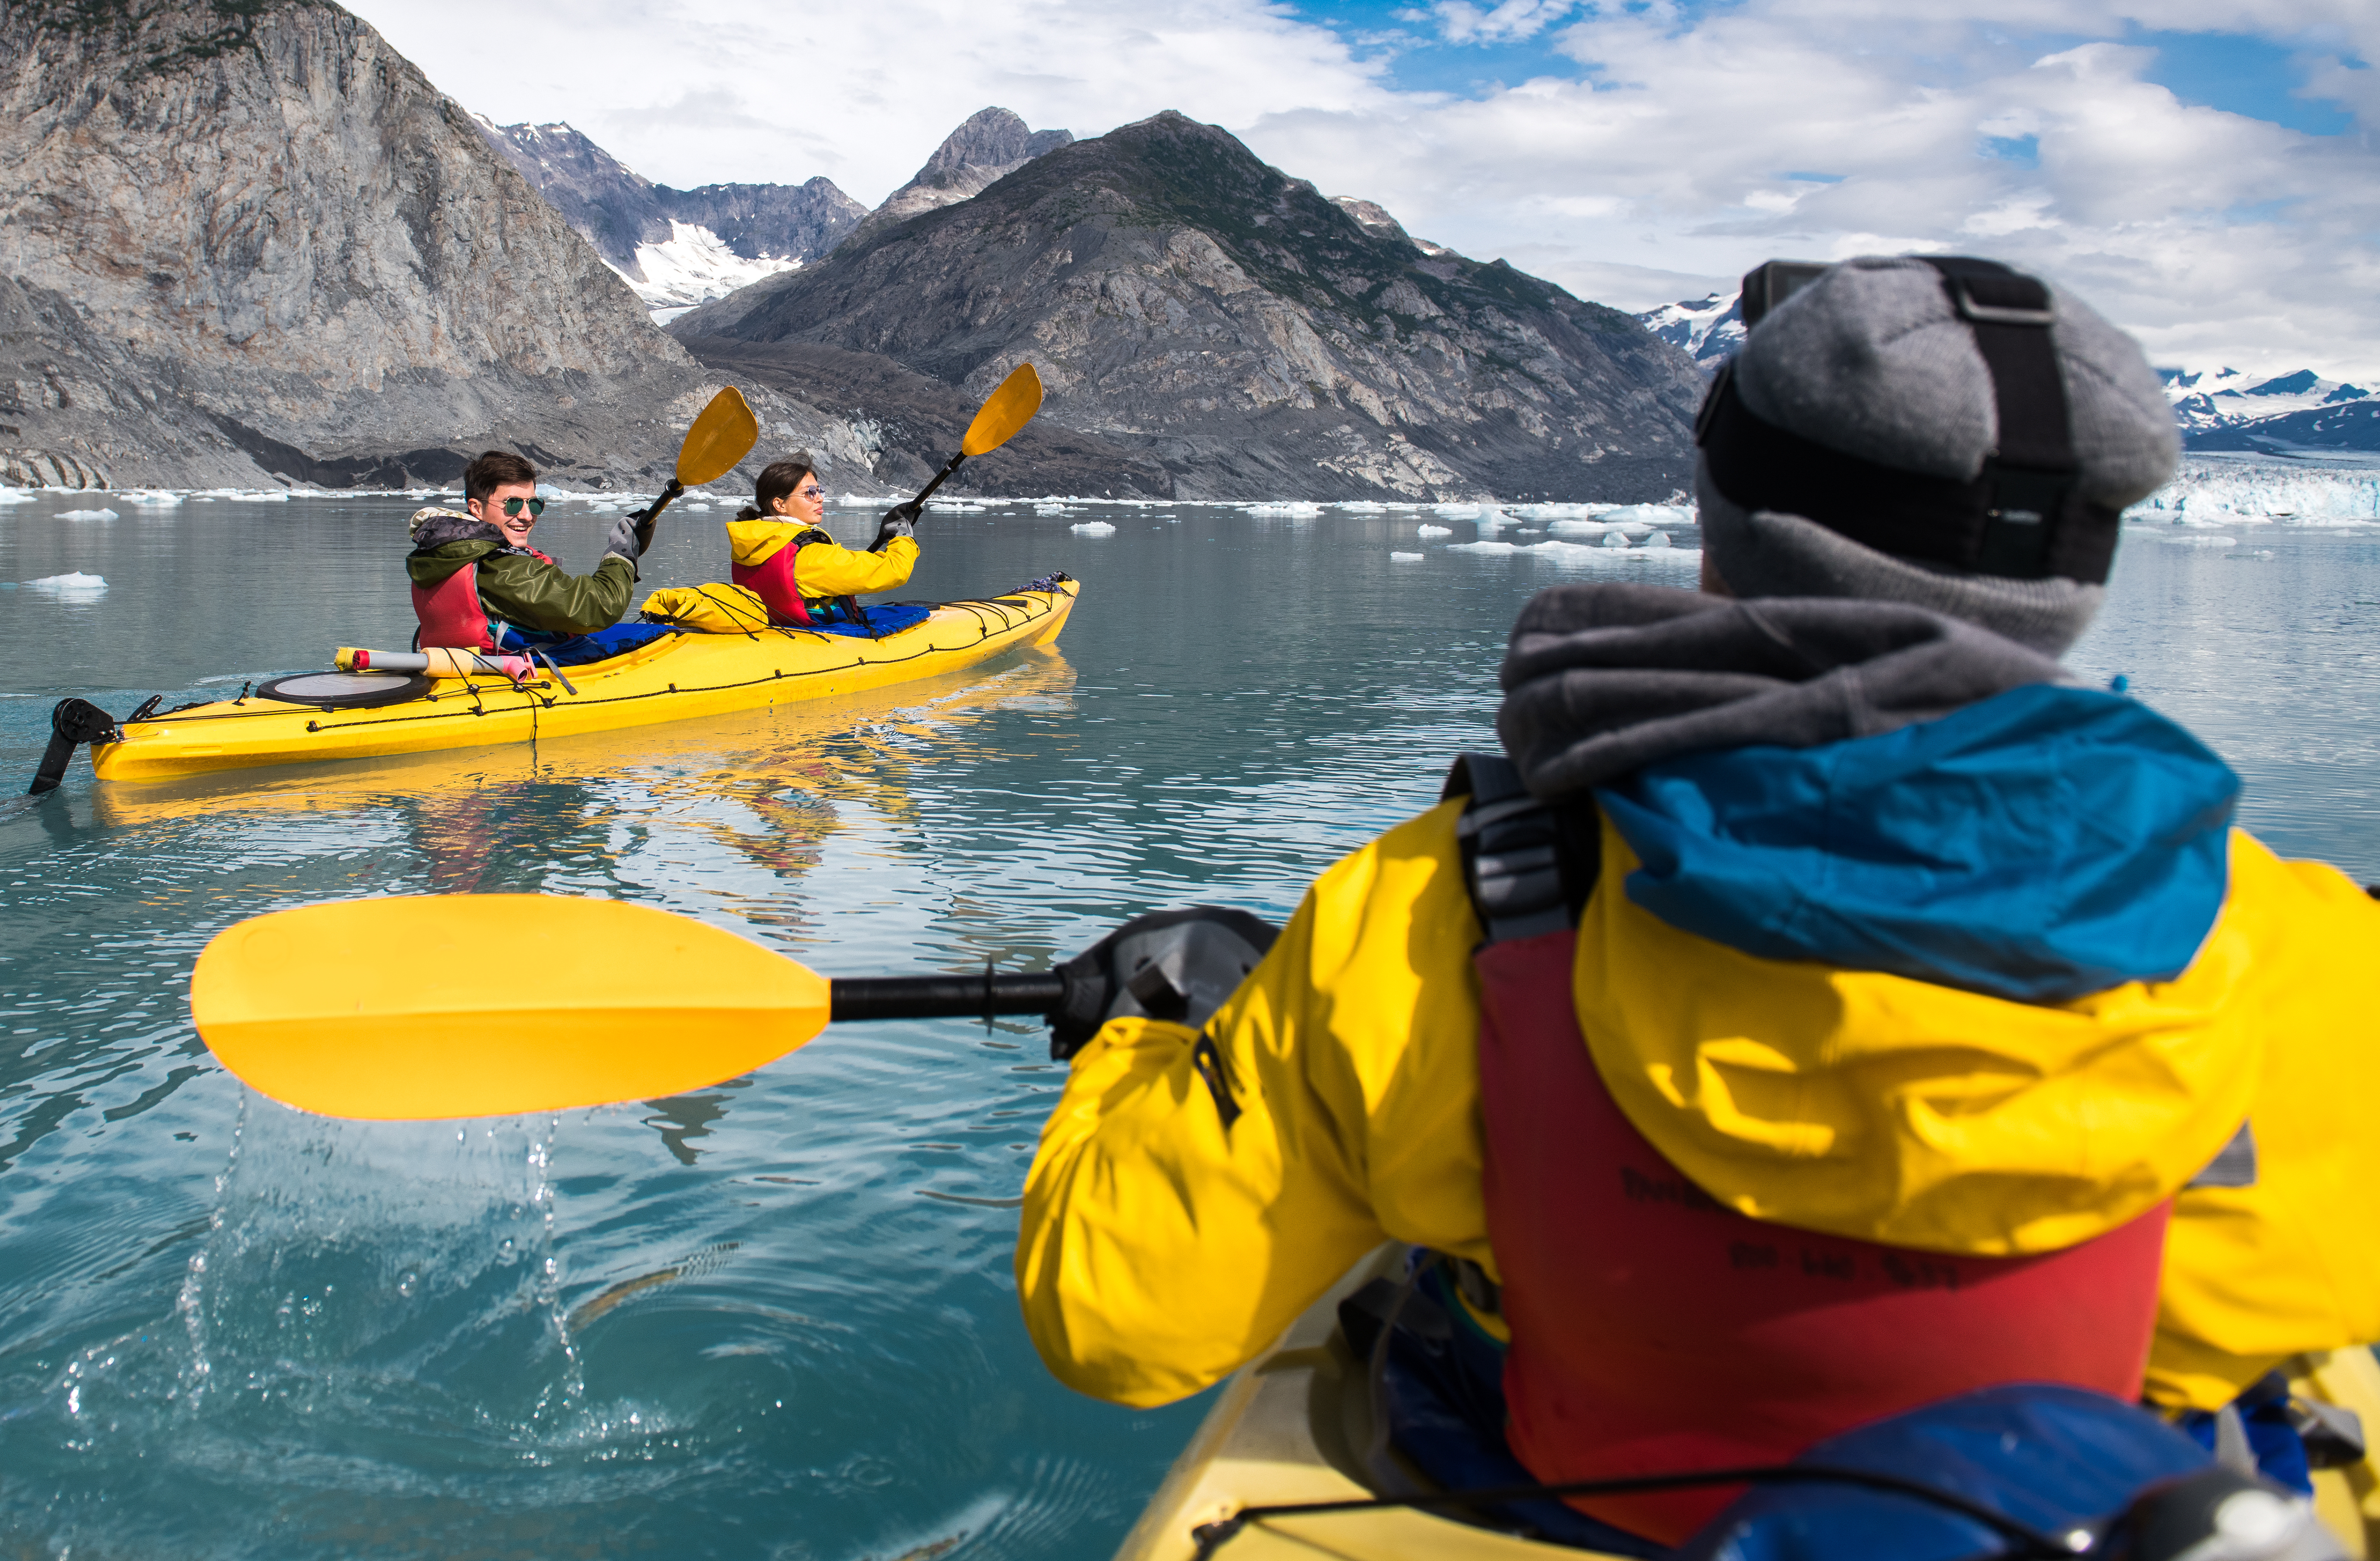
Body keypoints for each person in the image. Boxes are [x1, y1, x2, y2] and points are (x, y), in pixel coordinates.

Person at [1014, 255, 2380, 1549]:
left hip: (1548, 1496)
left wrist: (1146, 1028)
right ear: (2080, 575)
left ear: (1721, 519)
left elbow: (1118, 1320)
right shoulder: (2306, 951)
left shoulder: (1442, 908)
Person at [407, 449, 647, 648]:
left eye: (534, 504)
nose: (526, 516)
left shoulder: (444, 552)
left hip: (469, 667)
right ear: (477, 508)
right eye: (512, 504)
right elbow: (597, 607)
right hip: (508, 676)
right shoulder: (499, 567)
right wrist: (621, 554)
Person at [727, 457, 919, 627]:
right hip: (818, 635)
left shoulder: (750, 545)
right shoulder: (810, 556)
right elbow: (893, 571)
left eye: (819, 491)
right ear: (780, 505)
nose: (820, 498)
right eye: (810, 493)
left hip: (778, 627)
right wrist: (903, 536)